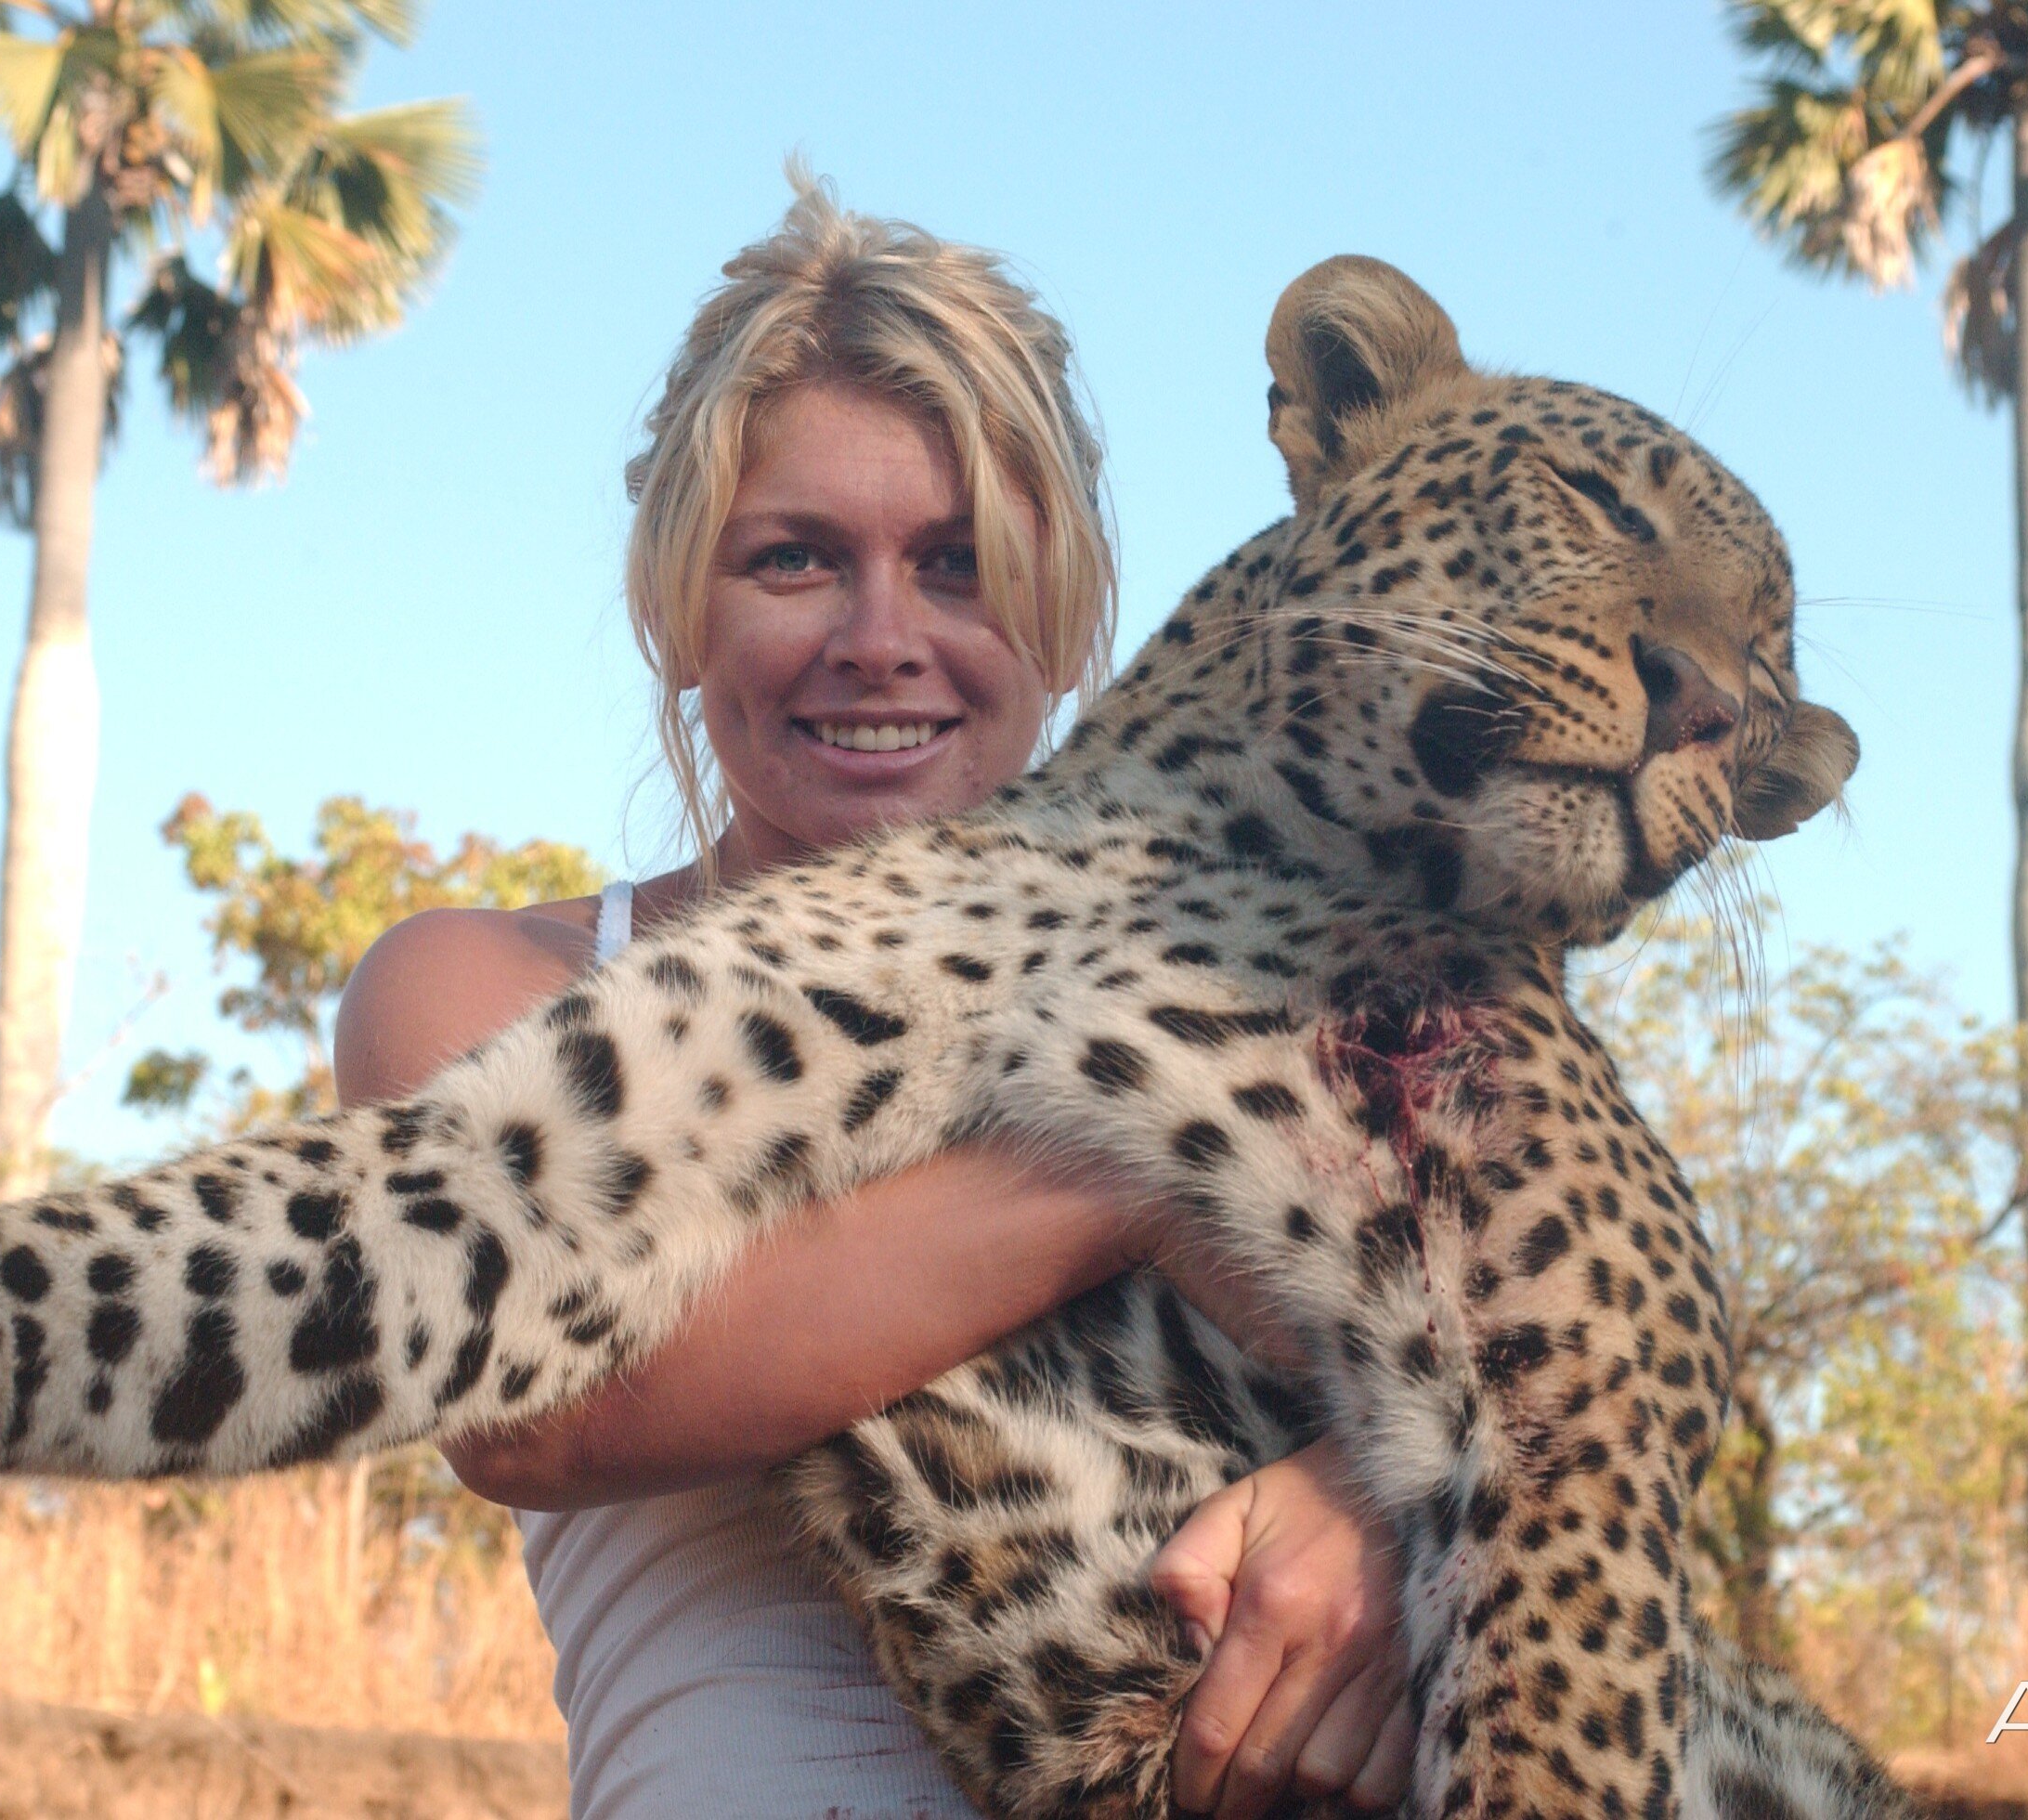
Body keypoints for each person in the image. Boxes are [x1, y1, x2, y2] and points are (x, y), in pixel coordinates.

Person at [333, 176, 1413, 1820]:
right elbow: (541, 1403)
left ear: (1066, 620)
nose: (882, 639)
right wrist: (1137, 1165)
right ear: (682, 602)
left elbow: (1566, 1366)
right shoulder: (501, 984)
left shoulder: (1260, 972)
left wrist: (1389, 1505)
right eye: (796, 560)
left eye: (963, 567)